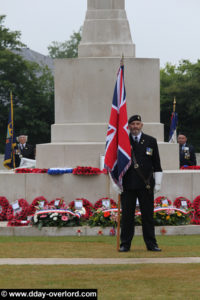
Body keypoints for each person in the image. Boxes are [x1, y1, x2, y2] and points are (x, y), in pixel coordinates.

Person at [119, 115, 163, 252]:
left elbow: (157, 164)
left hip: (146, 185)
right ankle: (125, 244)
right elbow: (116, 164)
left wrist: (158, 183)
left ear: (142, 125)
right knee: (127, 217)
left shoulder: (151, 141)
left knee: (148, 216)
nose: (135, 126)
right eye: (132, 124)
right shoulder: (122, 142)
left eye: (137, 123)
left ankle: (151, 244)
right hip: (128, 184)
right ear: (129, 126)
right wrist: (116, 182)